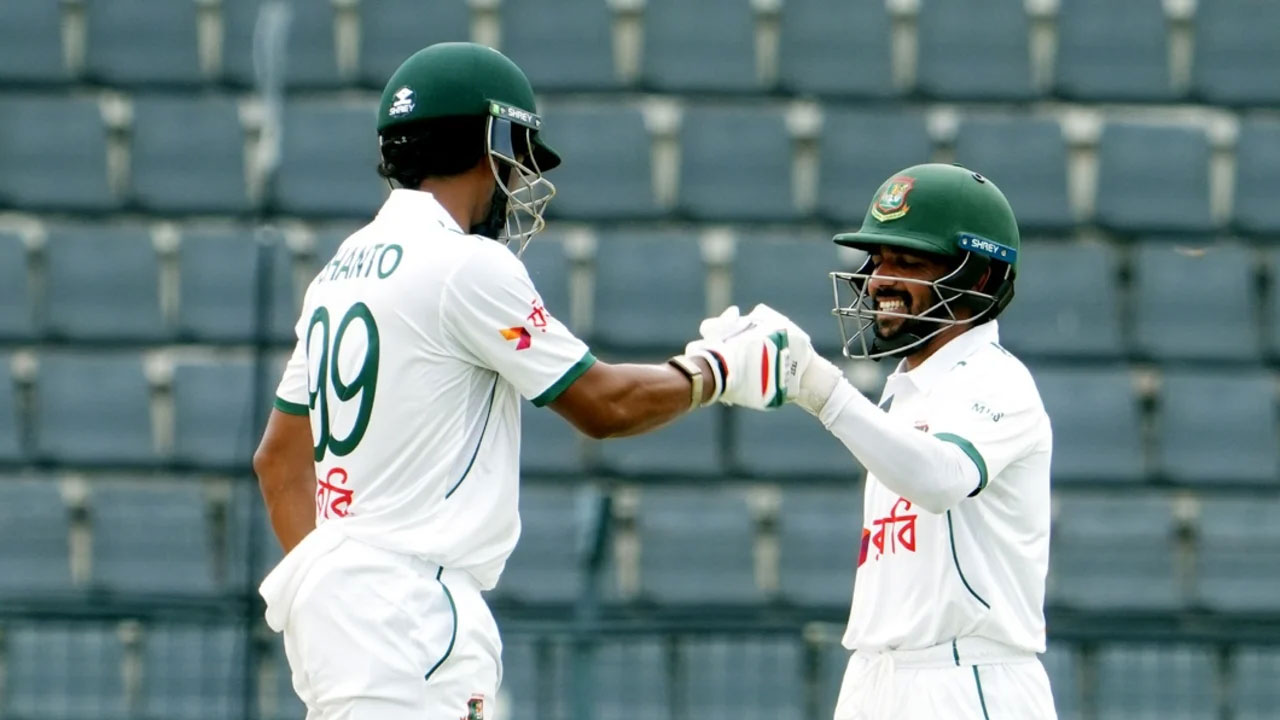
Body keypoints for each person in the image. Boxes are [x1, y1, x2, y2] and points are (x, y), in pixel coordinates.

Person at [251, 42, 793, 720]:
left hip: (337, 613)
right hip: (414, 614)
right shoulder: (466, 264)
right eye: (516, 158)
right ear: (491, 146)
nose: (517, 179)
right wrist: (718, 369)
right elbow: (605, 405)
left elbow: (279, 464)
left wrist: (338, 591)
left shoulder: (337, 272)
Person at [695, 163, 1055, 719]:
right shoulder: (906, 391)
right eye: (879, 260)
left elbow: (939, 479)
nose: (880, 280)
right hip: (875, 676)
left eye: (908, 262)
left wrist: (819, 388)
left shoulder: (998, 379)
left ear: (980, 276)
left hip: (967, 679)